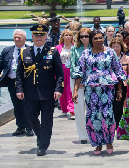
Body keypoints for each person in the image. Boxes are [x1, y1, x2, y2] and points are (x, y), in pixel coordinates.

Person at [72, 30, 126, 155]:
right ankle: (97, 144)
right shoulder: (86, 54)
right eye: (96, 38)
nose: (99, 40)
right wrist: (75, 91)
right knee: (93, 116)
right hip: (91, 91)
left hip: (107, 89)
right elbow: (79, 72)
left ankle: (109, 141)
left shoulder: (110, 52)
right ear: (91, 40)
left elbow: (118, 71)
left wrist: (119, 90)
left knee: (107, 115)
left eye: (100, 38)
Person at [15, 24, 64, 156]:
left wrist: (58, 89)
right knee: (30, 117)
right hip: (30, 92)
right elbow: (19, 74)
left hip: (48, 92)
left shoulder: (52, 52)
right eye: (36, 35)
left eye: (42, 35)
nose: (39, 37)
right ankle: (41, 136)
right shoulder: (25, 52)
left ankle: (43, 145)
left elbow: (59, 73)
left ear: (46, 36)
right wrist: (19, 89)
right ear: (32, 36)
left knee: (47, 120)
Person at [0, 29, 33, 136]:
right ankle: (21, 126)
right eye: (15, 37)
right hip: (12, 81)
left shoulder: (30, 50)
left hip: (26, 82)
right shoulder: (7, 51)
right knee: (17, 105)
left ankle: (29, 127)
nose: (17, 39)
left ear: (24, 38)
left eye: (19, 37)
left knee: (27, 105)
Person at [70, 27, 91, 144]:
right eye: (81, 36)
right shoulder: (75, 49)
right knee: (79, 108)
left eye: (86, 36)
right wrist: (79, 81)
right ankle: (83, 135)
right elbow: (73, 66)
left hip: (92, 82)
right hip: (77, 82)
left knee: (91, 109)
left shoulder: (95, 48)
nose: (84, 39)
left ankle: (92, 132)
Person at [109, 38, 129, 128]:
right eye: (113, 46)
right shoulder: (108, 58)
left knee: (119, 105)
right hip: (110, 84)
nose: (115, 48)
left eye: (117, 46)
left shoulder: (127, 58)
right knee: (111, 105)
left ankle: (118, 125)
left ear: (121, 47)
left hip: (122, 84)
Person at [55, 29, 75, 119]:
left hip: (71, 70)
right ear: (62, 37)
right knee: (62, 90)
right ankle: (64, 109)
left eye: (69, 35)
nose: (67, 37)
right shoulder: (58, 48)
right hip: (61, 70)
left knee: (70, 89)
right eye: (66, 35)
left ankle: (71, 109)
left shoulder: (75, 47)